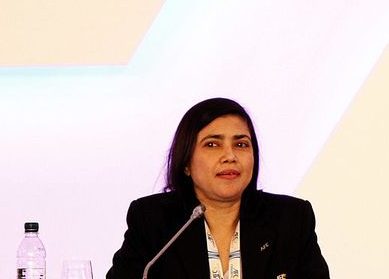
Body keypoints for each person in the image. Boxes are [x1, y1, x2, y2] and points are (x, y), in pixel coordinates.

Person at [107, 98, 330, 279]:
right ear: (186, 162)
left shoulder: (291, 218)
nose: (230, 156)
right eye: (212, 144)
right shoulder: (152, 220)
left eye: (241, 144)